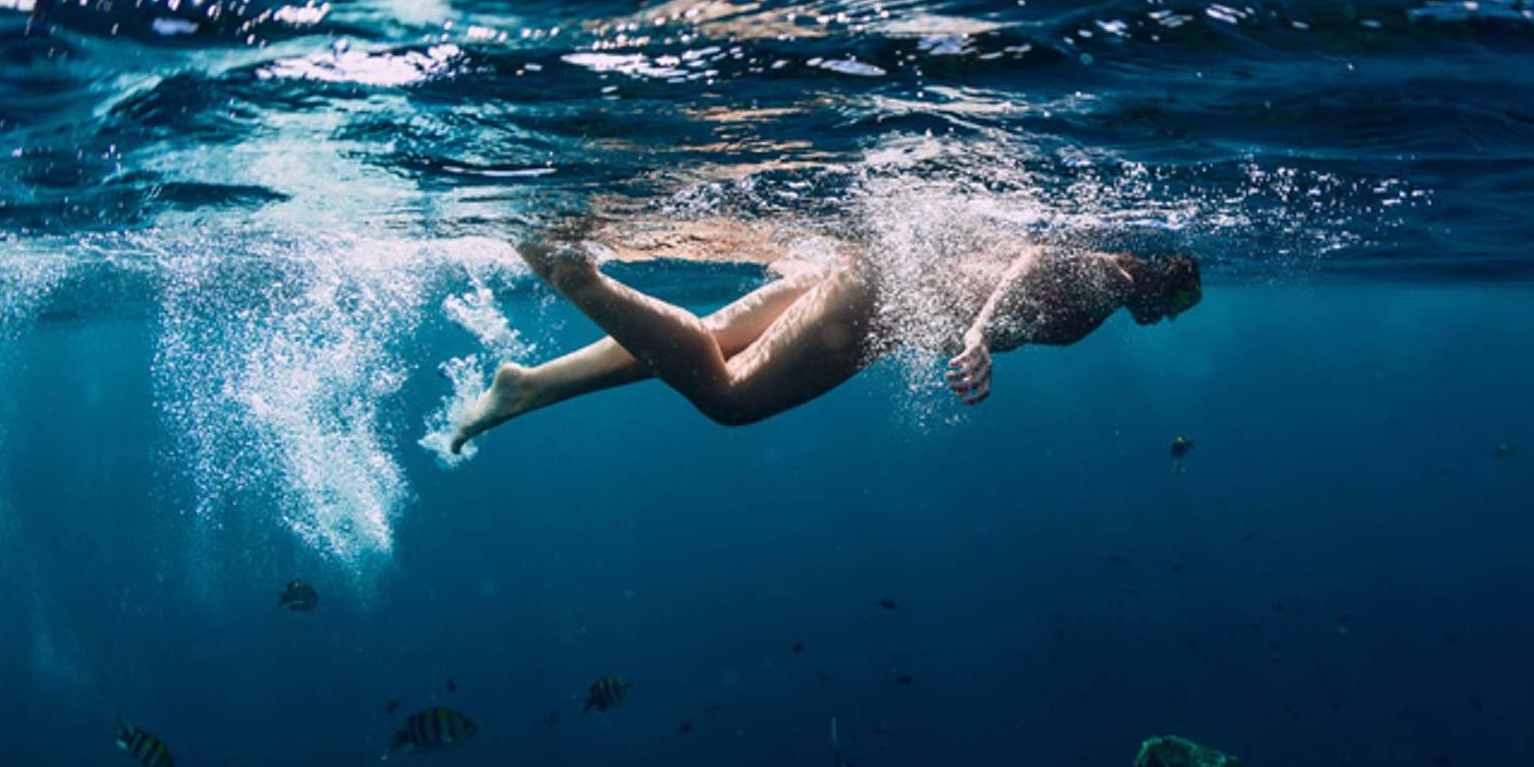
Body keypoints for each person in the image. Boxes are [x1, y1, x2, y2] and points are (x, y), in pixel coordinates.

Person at [446, 238, 1200, 449]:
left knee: (707, 341)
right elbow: (1034, 256)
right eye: (1180, 304)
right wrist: (976, 333)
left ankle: (530, 386)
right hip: (874, 304)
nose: (1170, 321)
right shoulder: (1112, 279)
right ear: (1164, 281)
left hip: (874, 283)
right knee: (730, 397)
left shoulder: (1111, 290)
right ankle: (578, 279)